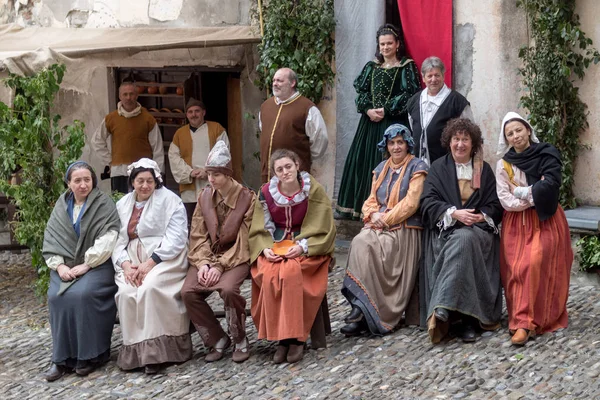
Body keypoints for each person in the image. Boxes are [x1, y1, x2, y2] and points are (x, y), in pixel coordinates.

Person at [419, 118, 503, 343]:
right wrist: (453, 213)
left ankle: (445, 306)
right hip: (447, 232)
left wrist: (480, 216)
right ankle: (467, 321)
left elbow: (495, 205)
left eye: (466, 139)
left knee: (466, 239)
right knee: (463, 240)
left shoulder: (482, 170)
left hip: (479, 232)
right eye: (456, 139)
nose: (460, 144)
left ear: (473, 143)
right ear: (449, 141)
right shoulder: (438, 167)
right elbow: (427, 202)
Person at [340, 124, 428, 336]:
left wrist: (385, 219)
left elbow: (411, 203)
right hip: (379, 225)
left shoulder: (418, 168)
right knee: (360, 242)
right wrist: (373, 216)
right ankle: (361, 308)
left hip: (404, 229)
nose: (396, 147)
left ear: (408, 144)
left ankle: (371, 313)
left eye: (400, 142)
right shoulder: (380, 169)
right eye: (392, 143)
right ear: (386, 146)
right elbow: (370, 200)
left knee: (378, 247)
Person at [249, 149, 336, 363]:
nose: (285, 172)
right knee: (269, 273)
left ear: (297, 165)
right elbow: (261, 226)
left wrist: (302, 247)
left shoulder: (312, 189)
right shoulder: (266, 193)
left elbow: (324, 225)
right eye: (279, 169)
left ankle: (296, 338)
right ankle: (281, 338)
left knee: (290, 273)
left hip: (308, 244)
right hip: (277, 245)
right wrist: (266, 247)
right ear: (274, 173)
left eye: (288, 166)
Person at [496, 111, 573, 346]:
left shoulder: (546, 153)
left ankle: (545, 316)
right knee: (518, 268)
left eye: (519, 130)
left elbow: (550, 186)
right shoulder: (503, 164)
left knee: (540, 262)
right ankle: (522, 322)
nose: (516, 136)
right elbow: (504, 198)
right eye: (510, 133)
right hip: (516, 224)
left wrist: (522, 191)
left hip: (546, 219)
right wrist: (530, 195)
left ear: (528, 130)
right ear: (506, 138)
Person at [42, 161, 121, 381]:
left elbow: (109, 237)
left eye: (87, 179)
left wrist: (87, 264)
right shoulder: (61, 205)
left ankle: (91, 356)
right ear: (69, 183)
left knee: (83, 295)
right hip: (66, 266)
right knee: (56, 297)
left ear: (93, 181)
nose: (83, 184)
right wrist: (60, 266)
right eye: (77, 180)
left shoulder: (103, 204)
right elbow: (51, 238)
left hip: (97, 265)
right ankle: (61, 359)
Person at [112, 158, 191, 374]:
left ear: (157, 181)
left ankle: (159, 353)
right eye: (140, 181)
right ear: (132, 182)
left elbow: (176, 237)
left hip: (166, 259)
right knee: (127, 293)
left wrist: (150, 263)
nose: (145, 185)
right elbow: (116, 240)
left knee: (149, 288)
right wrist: (126, 265)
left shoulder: (170, 200)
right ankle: (136, 354)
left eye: (149, 181)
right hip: (131, 262)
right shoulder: (122, 205)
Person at [336, 24, 421, 220]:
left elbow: (410, 94)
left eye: (389, 43)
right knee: (362, 162)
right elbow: (362, 92)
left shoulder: (406, 67)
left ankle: (388, 209)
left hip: (393, 123)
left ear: (397, 44)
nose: (385, 47)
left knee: (387, 161)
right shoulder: (372, 66)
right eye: (382, 44)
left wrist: (387, 109)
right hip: (369, 123)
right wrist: (367, 109)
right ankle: (359, 209)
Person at [181, 142, 256, 363]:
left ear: (227, 174)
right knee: (188, 292)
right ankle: (217, 338)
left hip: (237, 256)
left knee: (228, 290)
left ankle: (239, 338)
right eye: (209, 174)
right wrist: (203, 263)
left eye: (216, 174)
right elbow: (197, 234)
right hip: (208, 257)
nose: (210, 179)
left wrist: (220, 265)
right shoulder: (204, 196)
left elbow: (245, 241)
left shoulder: (246, 198)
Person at [92, 81, 164, 193]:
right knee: (120, 205)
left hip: (143, 172)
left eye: (131, 94)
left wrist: (157, 172)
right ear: (120, 96)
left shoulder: (148, 119)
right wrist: (110, 161)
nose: (128, 97)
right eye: (125, 94)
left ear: (137, 95)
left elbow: (157, 148)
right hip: (119, 171)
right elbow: (97, 141)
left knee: (143, 206)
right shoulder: (111, 118)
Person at [259, 68, 329, 183]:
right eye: (274, 80)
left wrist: (303, 159)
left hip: (294, 176)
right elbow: (264, 131)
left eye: (280, 81)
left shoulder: (307, 108)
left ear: (292, 83)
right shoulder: (265, 106)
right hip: (268, 174)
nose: (275, 84)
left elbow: (320, 140)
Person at [168, 98, 230, 225]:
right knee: (191, 221)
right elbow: (173, 157)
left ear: (203, 112)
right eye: (190, 112)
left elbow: (223, 152)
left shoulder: (216, 128)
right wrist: (190, 172)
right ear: (186, 114)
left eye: (197, 111)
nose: (193, 114)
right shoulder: (180, 133)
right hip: (190, 186)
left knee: (214, 220)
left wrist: (207, 171)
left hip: (211, 182)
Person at [407, 56, 473, 166]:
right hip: (418, 165)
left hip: (447, 164)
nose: (433, 80)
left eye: (437, 75)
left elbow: (471, 132)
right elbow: (411, 128)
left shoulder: (457, 102)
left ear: (443, 76)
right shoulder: (413, 101)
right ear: (423, 78)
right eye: (429, 76)